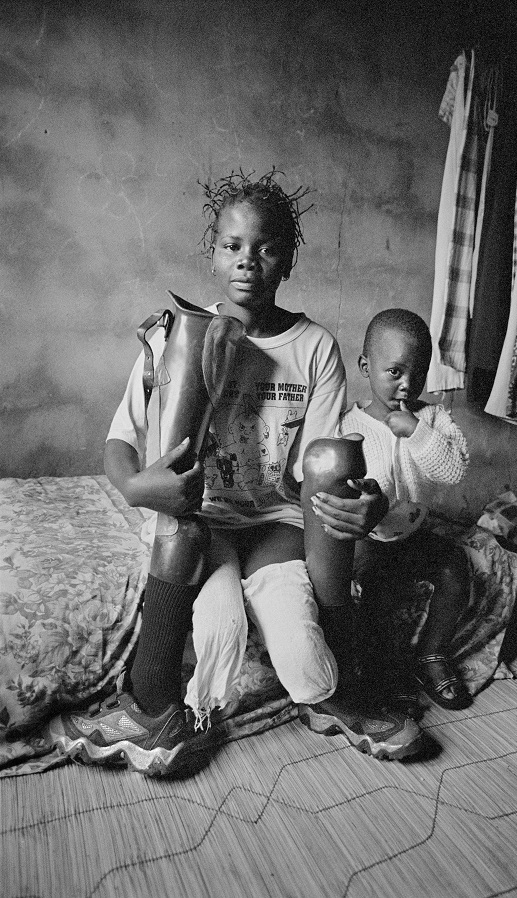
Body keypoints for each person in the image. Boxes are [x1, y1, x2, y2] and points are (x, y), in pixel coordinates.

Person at [49, 172, 423, 776]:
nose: (248, 261)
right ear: (214, 253)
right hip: (202, 523)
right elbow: (121, 439)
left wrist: (366, 505)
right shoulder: (175, 335)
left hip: (276, 523)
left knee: (304, 659)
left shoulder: (316, 348)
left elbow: (315, 475)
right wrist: (134, 487)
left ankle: (340, 689)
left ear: (288, 259)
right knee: (217, 628)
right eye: (232, 246)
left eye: (266, 247)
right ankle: (150, 710)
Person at [337, 307, 472, 712]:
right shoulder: (348, 426)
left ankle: (432, 654)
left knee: (455, 569)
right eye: (394, 372)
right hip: (373, 540)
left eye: (418, 373)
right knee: (377, 593)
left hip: (415, 531)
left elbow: (454, 470)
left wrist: (416, 431)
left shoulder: (432, 417)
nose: (407, 385)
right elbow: (335, 487)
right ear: (366, 366)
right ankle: (382, 674)